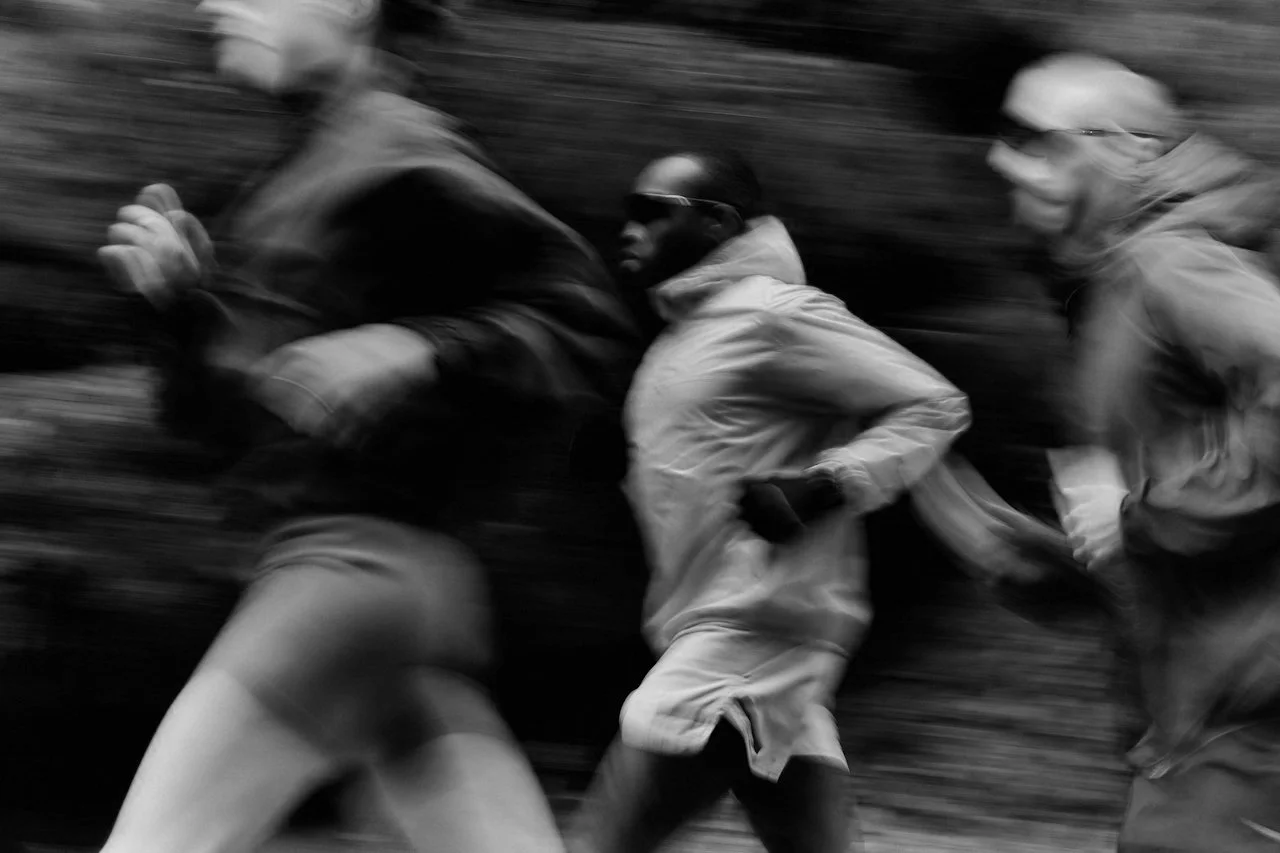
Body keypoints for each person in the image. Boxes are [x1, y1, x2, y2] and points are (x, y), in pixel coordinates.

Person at [94, 1, 638, 852]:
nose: (215, 3)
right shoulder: (302, 174)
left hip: (340, 586)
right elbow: (233, 430)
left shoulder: (399, 147)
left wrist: (418, 348)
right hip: (413, 603)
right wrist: (180, 311)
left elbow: (587, 322)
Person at [567, 150, 971, 853]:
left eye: (651, 212)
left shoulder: (774, 313)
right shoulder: (686, 337)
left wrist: (826, 485)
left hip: (746, 635)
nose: (628, 228)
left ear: (718, 222)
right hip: (728, 631)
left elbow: (933, 404)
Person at [989, 52, 1280, 851]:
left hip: (1247, 724)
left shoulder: (1174, 265)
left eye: (1035, 138)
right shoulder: (1116, 288)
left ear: (1127, 147)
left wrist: (1139, 515)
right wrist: (1067, 564)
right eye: (1003, 138)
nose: (1004, 160)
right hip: (1198, 718)